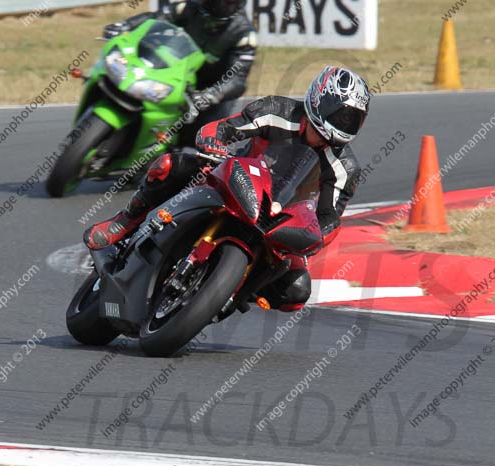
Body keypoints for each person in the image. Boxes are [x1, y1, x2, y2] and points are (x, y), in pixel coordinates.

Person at [83, 66, 371, 311]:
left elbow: (330, 217)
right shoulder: (277, 111)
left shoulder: (345, 169)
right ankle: (125, 221)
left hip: (280, 219)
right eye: (341, 114)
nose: (344, 122)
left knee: (296, 291)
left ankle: (235, 291)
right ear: (320, 99)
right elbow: (221, 128)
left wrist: (315, 236)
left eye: (352, 119)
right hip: (238, 181)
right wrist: (213, 144)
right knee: (170, 166)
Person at [103, 0, 257, 146]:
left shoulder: (244, 34)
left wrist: (211, 95)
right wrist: (126, 25)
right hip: (176, 76)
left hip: (209, 91)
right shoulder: (188, 7)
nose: (221, 4)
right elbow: (156, 18)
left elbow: (237, 79)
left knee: (207, 140)